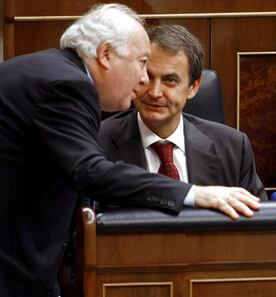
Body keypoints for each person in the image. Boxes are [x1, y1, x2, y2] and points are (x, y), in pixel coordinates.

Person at [0, 4, 260, 297]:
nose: (145, 83)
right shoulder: (68, 85)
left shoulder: (53, 72)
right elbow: (88, 172)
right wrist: (194, 193)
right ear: (106, 54)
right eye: (142, 63)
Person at [98, 25, 267, 202]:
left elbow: (259, 224)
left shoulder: (232, 148)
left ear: (193, 87)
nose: (155, 93)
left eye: (170, 80)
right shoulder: (96, 142)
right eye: (148, 76)